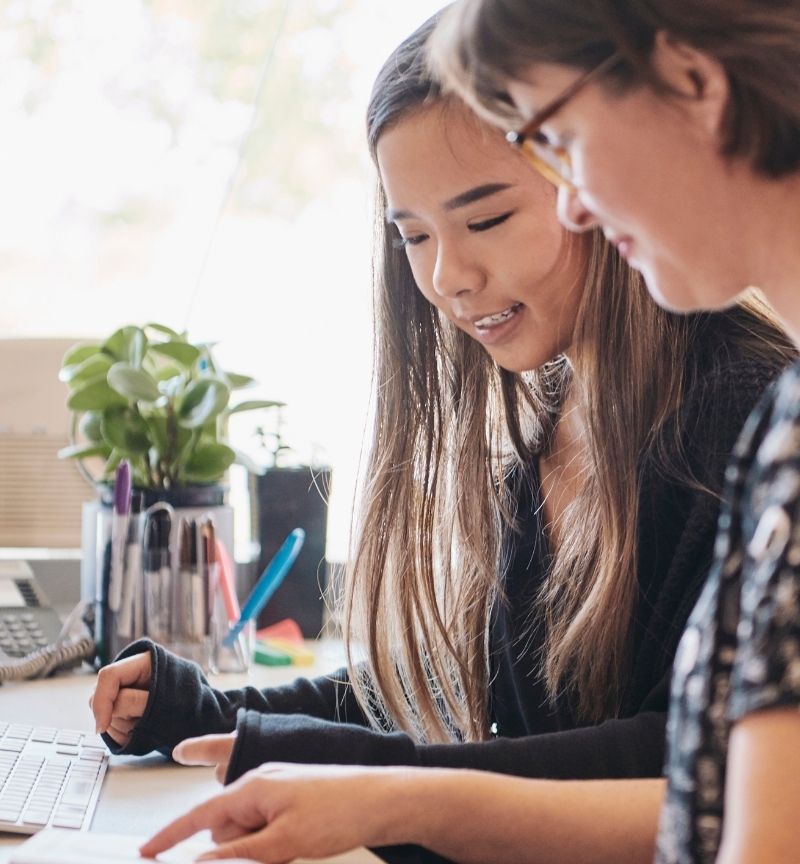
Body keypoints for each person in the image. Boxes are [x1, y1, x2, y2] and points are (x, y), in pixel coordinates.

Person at [98, 4, 791, 846]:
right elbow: (480, 687)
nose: (447, 276)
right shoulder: (551, 430)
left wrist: (365, 781)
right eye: (412, 236)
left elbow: (682, 770)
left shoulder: (743, 413)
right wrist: (212, 712)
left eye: (489, 218)